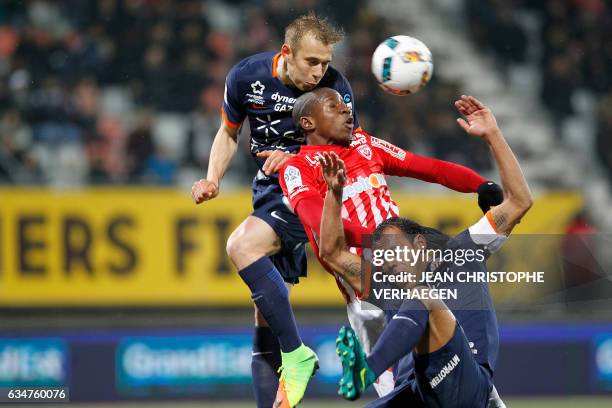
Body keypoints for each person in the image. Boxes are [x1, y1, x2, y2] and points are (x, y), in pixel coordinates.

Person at [278, 88, 503, 394]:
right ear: (307, 123)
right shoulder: (296, 169)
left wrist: (481, 184)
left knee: (459, 370)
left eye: (347, 105)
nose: (347, 110)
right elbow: (322, 227)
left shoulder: (365, 144)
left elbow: (429, 168)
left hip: (409, 274)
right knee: (404, 393)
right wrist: (383, 243)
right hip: (367, 294)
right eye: (334, 107)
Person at [317, 95, 531, 407]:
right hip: (415, 393)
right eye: (380, 256)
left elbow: (519, 202)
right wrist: (334, 193)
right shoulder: (386, 286)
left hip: (465, 383)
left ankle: (367, 370)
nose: (385, 262)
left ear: (419, 244)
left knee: (425, 299)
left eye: (391, 250)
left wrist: (492, 136)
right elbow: (332, 252)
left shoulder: (461, 252)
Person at [191, 13, 359, 408]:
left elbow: (350, 151)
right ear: (287, 52)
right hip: (269, 191)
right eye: (311, 62)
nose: (320, 72)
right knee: (266, 312)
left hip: (312, 189)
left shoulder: (335, 88)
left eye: (325, 62)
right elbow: (229, 132)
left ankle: (298, 353)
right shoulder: (247, 76)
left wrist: (297, 159)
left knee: (241, 246)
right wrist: (212, 177)